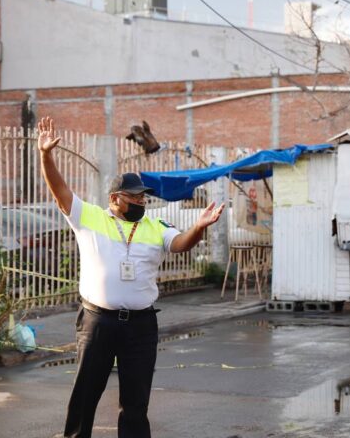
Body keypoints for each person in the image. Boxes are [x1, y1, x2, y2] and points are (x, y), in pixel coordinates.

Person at [37, 116, 224, 438]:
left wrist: (197, 228)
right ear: (114, 199)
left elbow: (180, 245)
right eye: (133, 196)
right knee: (85, 393)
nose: (141, 201)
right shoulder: (90, 218)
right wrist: (46, 156)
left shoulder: (156, 226)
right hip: (98, 322)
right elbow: (60, 191)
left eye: (143, 197)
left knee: (136, 400)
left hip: (140, 325)